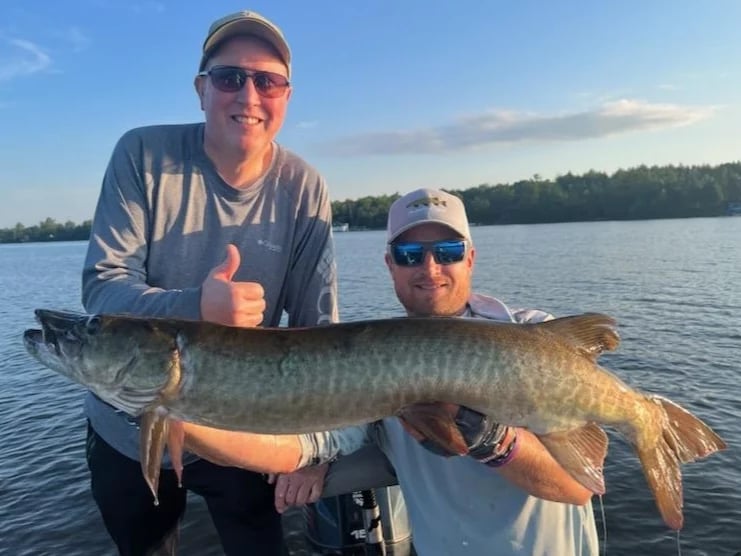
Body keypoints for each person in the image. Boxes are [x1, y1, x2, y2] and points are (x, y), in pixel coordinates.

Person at [175, 188, 602, 555]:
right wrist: (176, 414)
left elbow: (577, 486)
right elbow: (293, 445)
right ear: (390, 264)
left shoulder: (532, 332)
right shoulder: (374, 364)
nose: (429, 268)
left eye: (447, 252)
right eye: (410, 254)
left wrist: (490, 439)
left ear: (470, 258)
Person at [81, 10, 339, 556]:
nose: (248, 95)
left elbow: (320, 332)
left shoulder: (304, 186)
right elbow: (102, 289)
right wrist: (197, 304)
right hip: (130, 430)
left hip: (239, 430)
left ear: (286, 97)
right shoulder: (140, 155)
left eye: (267, 81)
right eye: (230, 78)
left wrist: (318, 450)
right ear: (202, 90)